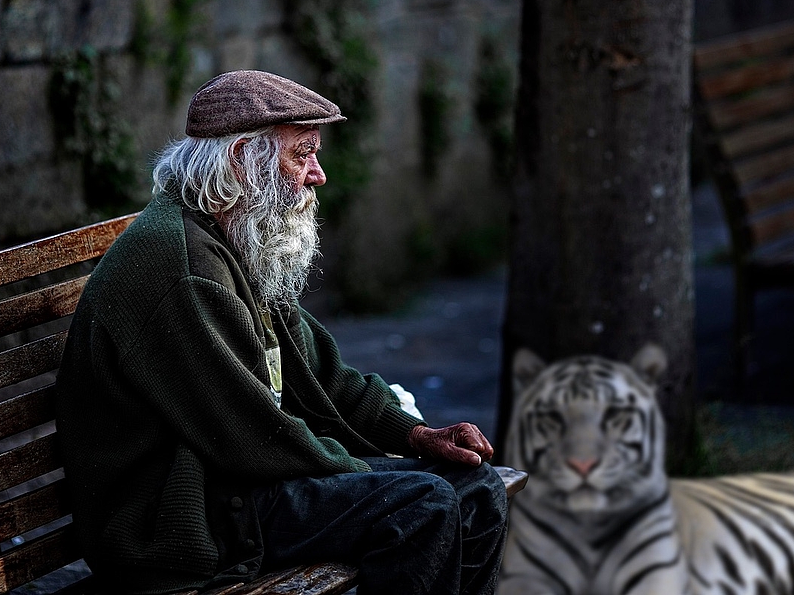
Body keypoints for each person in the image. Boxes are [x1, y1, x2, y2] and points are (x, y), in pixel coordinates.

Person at [55, 69, 508, 595]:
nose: (318, 174)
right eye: (303, 155)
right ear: (243, 159)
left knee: (475, 488)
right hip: (185, 515)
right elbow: (250, 436)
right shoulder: (183, 268)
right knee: (421, 506)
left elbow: (324, 377)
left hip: (242, 479)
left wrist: (414, 436)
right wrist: (377, 474)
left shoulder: (235, 237)